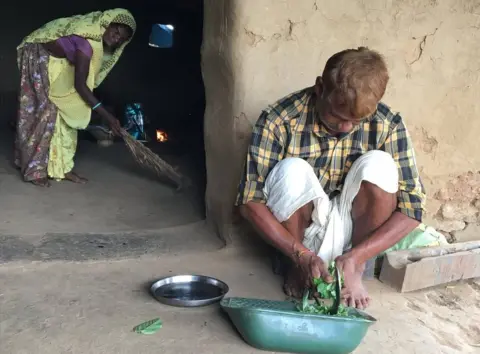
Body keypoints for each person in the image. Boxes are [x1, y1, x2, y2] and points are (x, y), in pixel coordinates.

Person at [236, 47, 426, 309]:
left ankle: (354, 270)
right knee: (292, 169)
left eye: (356, 121)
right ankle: (298, 267)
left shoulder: (387, 123)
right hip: (298, 237)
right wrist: (300, 255)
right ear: (320, 88)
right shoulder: (279, 119)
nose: (345, 127)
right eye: (337, 115)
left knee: (380, 165)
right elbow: (249, 201)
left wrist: (358, 256)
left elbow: (413, 209)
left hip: (354, 235)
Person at [15, 9, 136, 187]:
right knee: (45, 111)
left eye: (121, 39)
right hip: (38, 55)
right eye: (115, 32)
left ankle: (62, 168)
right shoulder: (87, 43)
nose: (116, 39)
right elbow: (81, 86)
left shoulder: (96, 45)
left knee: (65, 111)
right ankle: (33, 169)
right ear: (107, 24)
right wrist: (108, 117)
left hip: (58, 61)